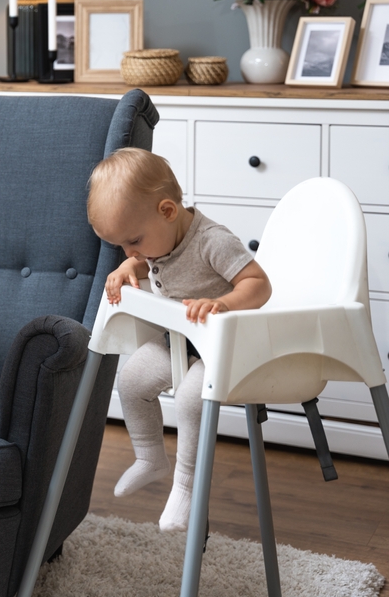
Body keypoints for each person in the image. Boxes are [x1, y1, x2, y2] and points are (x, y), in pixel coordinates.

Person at [86, 147, 272, 532]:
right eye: (121, 246)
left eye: (133, 242)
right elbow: (145, 257)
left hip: (222, 349)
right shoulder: (159, 237)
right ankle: (150, 457)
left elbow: (259, 285)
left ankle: (186, 485)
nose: (131, 252)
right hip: (180, 342)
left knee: (191, 399)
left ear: (168, 211)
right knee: (132, 380)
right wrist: (125, 267)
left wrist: (222, 303)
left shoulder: (212, 241)